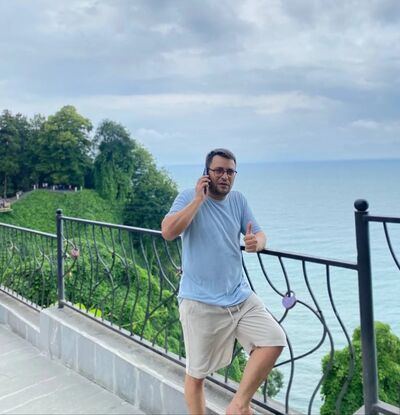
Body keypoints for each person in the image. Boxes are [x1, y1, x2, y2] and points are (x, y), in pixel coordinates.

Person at [161, 148, 286, 415]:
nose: (225, 176)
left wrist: (256, 243)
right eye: (218, 170)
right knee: (197, 375)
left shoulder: (238, 200)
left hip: (239, 296)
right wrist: (198, 200)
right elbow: (168, 232)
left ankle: (238, 405)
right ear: (206, 173)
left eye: (230, 171)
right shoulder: (188, 197)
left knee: (274, 339)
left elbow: (259, 234)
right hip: (200, 302)